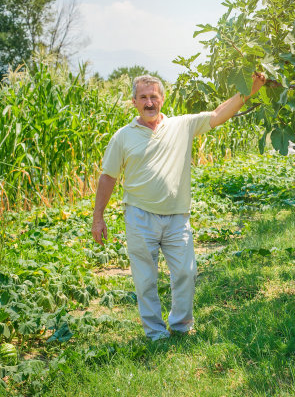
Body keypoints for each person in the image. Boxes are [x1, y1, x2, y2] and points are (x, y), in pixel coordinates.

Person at [91, 72, 266, 340]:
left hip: (177, 217)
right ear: (134, 102)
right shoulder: (123, 137)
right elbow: (108, 177)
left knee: (186, 272)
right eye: (143, 97)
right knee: (146, 279)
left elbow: (218, 114)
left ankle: (181, 326)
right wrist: (98, 217)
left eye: (153, 96)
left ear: (162, 99)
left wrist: (249, 90)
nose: (149, 102)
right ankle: (155, 333)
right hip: (140, 217)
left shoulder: (182, 125)